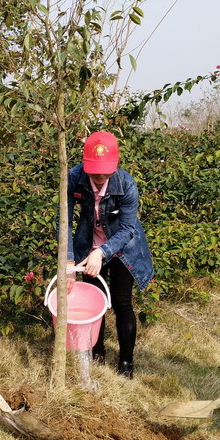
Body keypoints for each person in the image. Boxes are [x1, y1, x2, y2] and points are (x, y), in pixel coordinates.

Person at [63, 130, 154, 378]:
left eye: (106, 169)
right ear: (85, 163)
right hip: (87, 246)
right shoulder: (73, 177)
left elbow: (127, 228)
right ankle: (97, 352)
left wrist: (102, 253)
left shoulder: (126, 184)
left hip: (124, 247)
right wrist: (69, 262)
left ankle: (126, 363)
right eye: (95, 169)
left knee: (122, 302)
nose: (101, 175)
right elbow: (63, 221)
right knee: (95, 302)